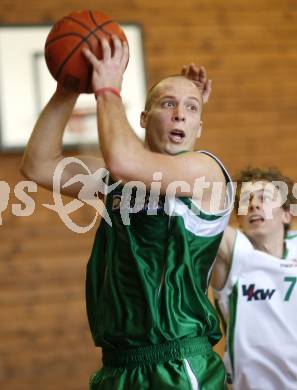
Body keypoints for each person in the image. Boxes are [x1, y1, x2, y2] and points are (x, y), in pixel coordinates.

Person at [21, 35, 233, 389]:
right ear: (144, 118)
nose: (180, 113)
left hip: (178, 362)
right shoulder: (114, 181)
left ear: (200, 128)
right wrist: (68, 87)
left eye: (192, 107)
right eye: (169, 104)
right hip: (117, 367)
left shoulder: (204, 171)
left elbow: (123, 161)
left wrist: (107, 90)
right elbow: (38, 165)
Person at [212, 167, 297, 390]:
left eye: (264, 198)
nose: (254, 205)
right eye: (246, 201)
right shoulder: (233, 253)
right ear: (238, 218)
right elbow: (202, 214)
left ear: (286, 213)